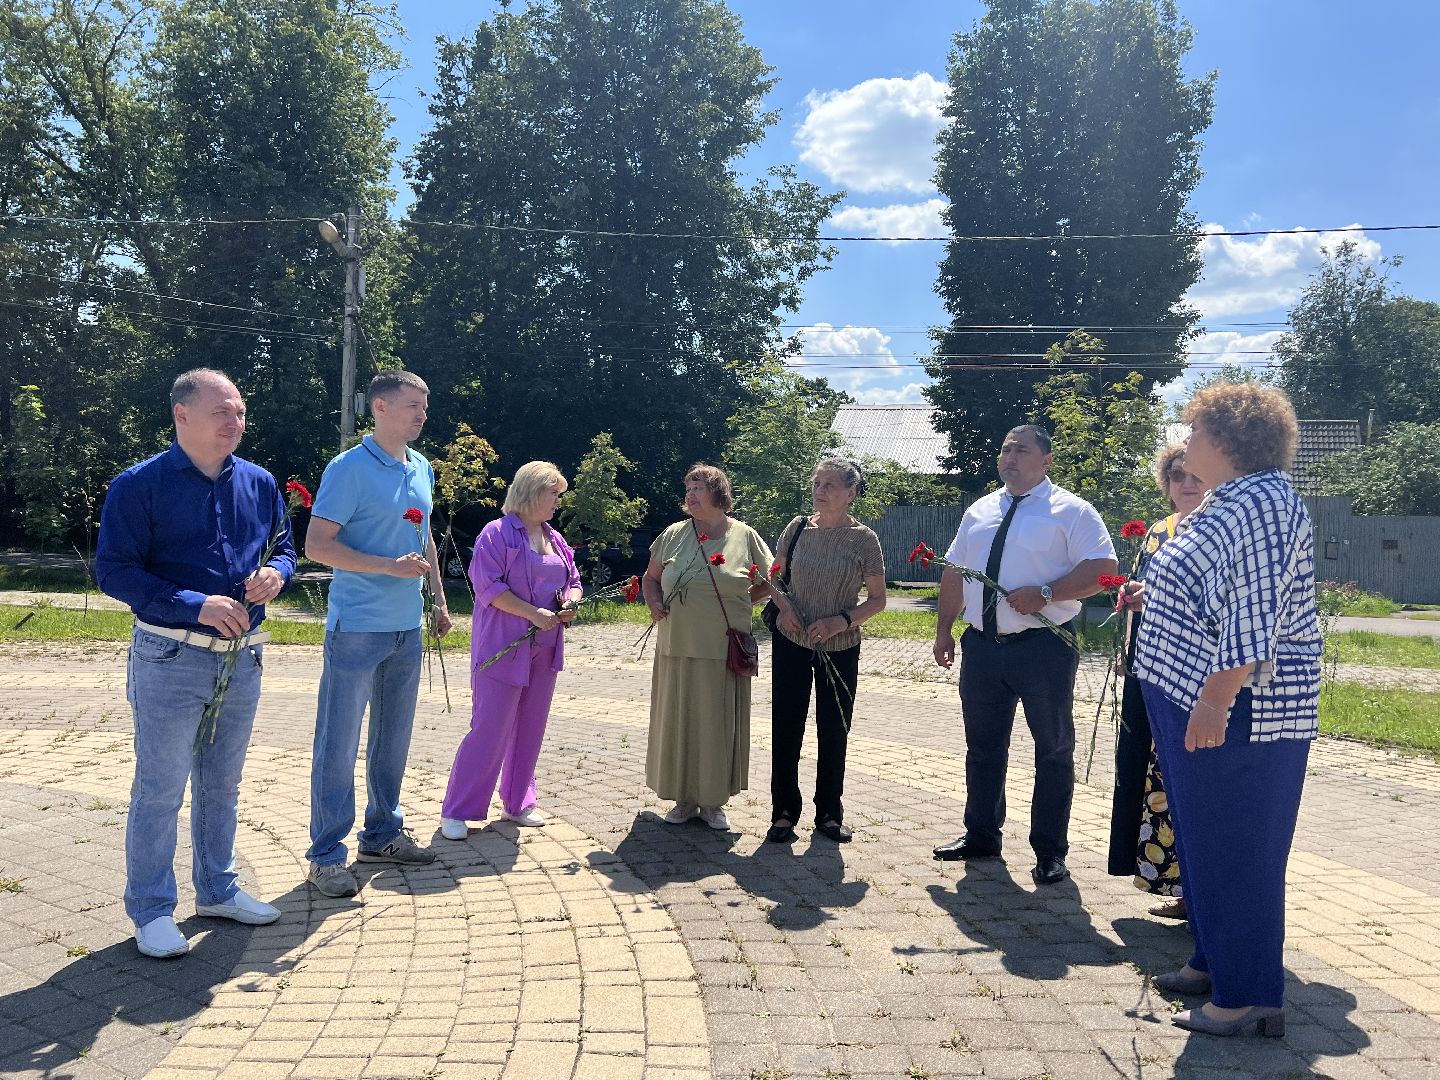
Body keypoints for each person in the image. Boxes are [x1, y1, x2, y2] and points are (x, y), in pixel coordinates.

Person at [1132, 383, 1321, 1038]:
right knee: (1205, 838)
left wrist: (1216, 696)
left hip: (1243, 710)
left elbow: (1254, 609)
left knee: (1238, 845)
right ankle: (1215, 959)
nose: (1186, 441)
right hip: (1195, 696)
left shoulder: (1263, 502)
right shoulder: (1231, 500)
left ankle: (1246, 996)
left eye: (1194, 429)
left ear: (1227, 439)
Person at [96, 368, 295, 958]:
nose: (234, 423)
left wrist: (276, 575)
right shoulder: (139, 486)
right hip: (169, 654)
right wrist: (196, 605)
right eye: (222, 412)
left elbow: (284, 547)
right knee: (160, 788)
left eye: (239, 412)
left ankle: (218, 889)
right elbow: (114, 570)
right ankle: (152, 910)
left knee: (222, 785)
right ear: (182, 415)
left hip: (242, 658)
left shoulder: (259, 484)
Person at [931, 425, 1117, 885]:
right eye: (1005, 448)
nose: (1009, 457)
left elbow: (1103, 570)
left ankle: (1050, 850)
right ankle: (981, 835)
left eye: (1021, 450)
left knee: (1052, 750)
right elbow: (955, 572)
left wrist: (1048, 592)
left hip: (1043, 648)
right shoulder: (980, 509)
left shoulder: (1072, 511)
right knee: (983, 747)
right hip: (983, 648)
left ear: (1046, 460)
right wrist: (944, 631)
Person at [304, 370, 453, 898]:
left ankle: (382, 835)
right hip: (358, 628)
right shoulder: (348, 469)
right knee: (338, 743)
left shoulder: (422, 468)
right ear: (380, 408)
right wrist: (387, 569)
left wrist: (437, 599)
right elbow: (317, 545)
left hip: (405, 629)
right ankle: (325, 855)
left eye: (425, 406)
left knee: (392, 741)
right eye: (412, 404)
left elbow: (425, 536)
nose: (421, 414)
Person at [440, 462, 582, 838]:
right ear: (533, 491)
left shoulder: (555, 537)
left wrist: (571, 601)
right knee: (489, 728)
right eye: (554, 493)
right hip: (502, 647)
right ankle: (458, 810)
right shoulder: (496, 533)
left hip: (546, 647)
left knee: (531, 728)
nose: (557, 502)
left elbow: (574, 580)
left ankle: (519, 802)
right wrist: (533, 613)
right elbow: (487, 586)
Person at [642, 464, 773, 832]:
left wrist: (744, 600)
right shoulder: (673, 534)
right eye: (687, 488)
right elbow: (651, 579)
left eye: (697, 487)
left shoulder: (744, 536)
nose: (689, 495)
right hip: (677, 645)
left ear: (718, 493)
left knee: (715, 725)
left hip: (722, 648)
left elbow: (772, 578)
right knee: (680, 722)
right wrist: (654, 604)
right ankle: (684, 799)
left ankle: (713, 802)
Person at [763, 457, 886, 844]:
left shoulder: (864, 539)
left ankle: (830, 814)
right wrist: (783, 608)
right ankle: (783, 812)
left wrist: (841, 621)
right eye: (817, 483)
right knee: (787, 726)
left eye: (830, 485)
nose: (820, 491)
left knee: (834, 730)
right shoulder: (797, 529)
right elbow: (773, 580)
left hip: (840, 646)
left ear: (851, 493)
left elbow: (878, 600)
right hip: (792, 641)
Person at [1106, 445, 1206, 919]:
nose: (1187, 484)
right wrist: (1128, 645)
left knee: (1184, 777)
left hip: (1192, 672)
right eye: (1177, 476)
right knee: (1152, 776)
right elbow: (1147, 597)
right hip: (1148, 666)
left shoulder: (1214, 530)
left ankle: (1200, 893)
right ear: (1165, 483)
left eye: (1196, 476)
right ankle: (1177, 886)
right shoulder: (1157, 532)